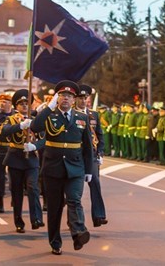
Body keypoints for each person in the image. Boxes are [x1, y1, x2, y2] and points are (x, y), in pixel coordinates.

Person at [30, 80, 94, 256]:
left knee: (74, 200)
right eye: (63, 95)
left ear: (74, 100)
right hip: (53, 167)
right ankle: (55, 241)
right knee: (55, 208)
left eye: (70, 96)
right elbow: (35, 127)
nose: (66, 98)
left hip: (75, 167)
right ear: (57, 98)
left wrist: (89, 170)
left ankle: (78, 232)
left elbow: (88, 146)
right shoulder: (50, 115)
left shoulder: (82, 118)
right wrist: (48, 108)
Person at [1, 89, 45, 233]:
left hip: (31, 158)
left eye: (27, 103)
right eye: (21, 104)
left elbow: (45, 137)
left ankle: (36, 218)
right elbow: (4, 131)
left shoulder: (36, 120)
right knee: (17, 191)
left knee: (33, 187)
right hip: (15, 158)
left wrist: (35, 146)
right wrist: (20, 126)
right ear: (16, 106)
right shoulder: (11, 119)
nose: (25, 106)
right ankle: (19, 221)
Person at [76, 84, 108, 227]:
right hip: (76, 155)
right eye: (80, 98)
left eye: (85, 98)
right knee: (75, 190)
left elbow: (100, 136)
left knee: (95, 182)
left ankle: (99, 216)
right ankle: (75, 218)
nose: (83, 101)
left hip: (92, 156)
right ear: (76, 99)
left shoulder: (93, 114)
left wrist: (100, 152)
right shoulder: (71, 114)